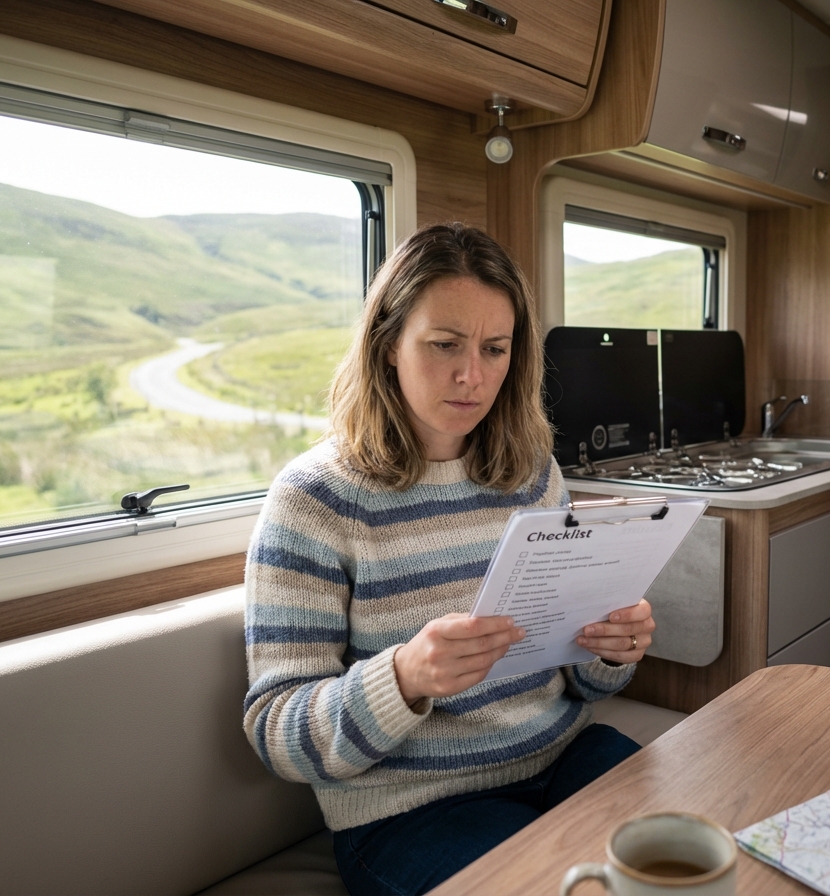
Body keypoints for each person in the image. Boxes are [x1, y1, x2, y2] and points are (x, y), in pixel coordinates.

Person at [242, 222, 656, 896]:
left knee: (707, 855)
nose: (473, 376)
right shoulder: (313, 501)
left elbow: (583, 683)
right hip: (411, 810)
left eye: (495, 349)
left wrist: (609, 650)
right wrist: (403, 678)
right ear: (387, 348)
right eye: (444, 346)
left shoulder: (532, 474)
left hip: (562, 756)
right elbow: (277, 734)